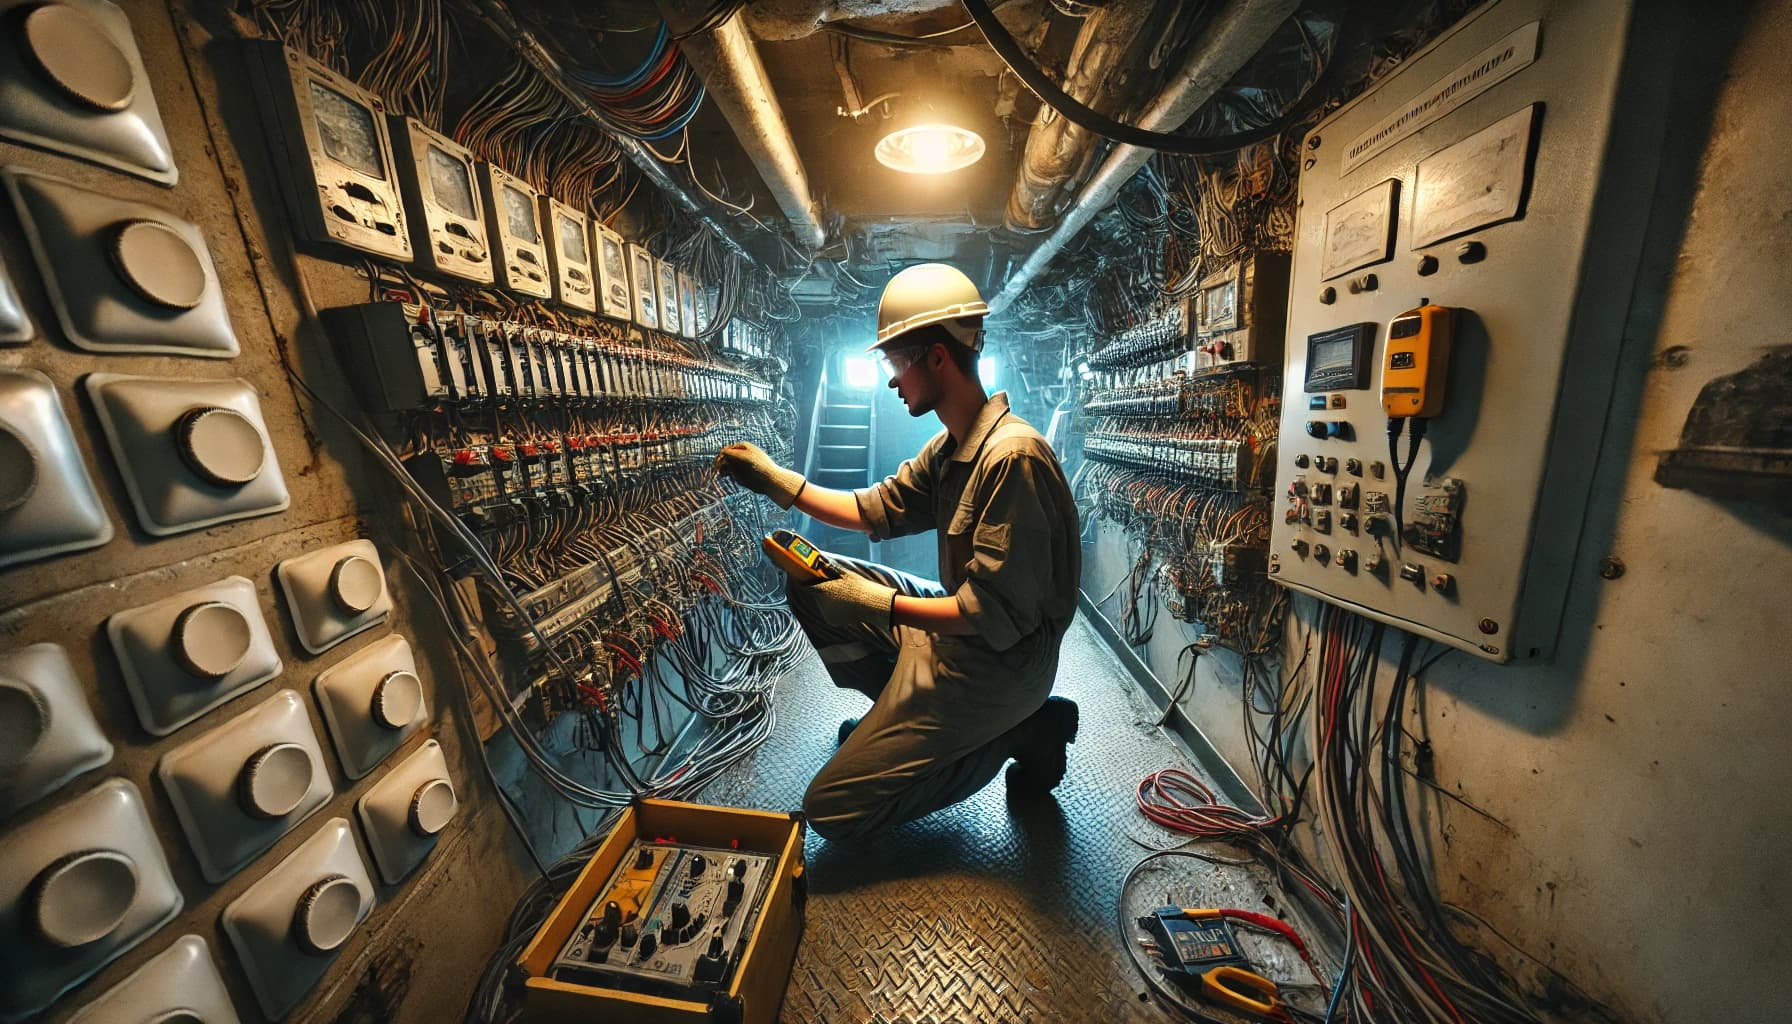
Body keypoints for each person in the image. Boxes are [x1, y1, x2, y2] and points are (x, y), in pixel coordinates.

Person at [715, 263, 1081, 842]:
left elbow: (988, 613)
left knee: (831, 809)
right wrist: (778, 482)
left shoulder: (1013, 460)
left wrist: (878, 604)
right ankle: (903, 716)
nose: (891, 381)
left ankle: (1021, 731)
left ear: (937, 358)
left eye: (896, 363)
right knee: (811, 583)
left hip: (1001, 664)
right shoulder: (952, 448)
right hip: (962, 634)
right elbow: (872, 509)